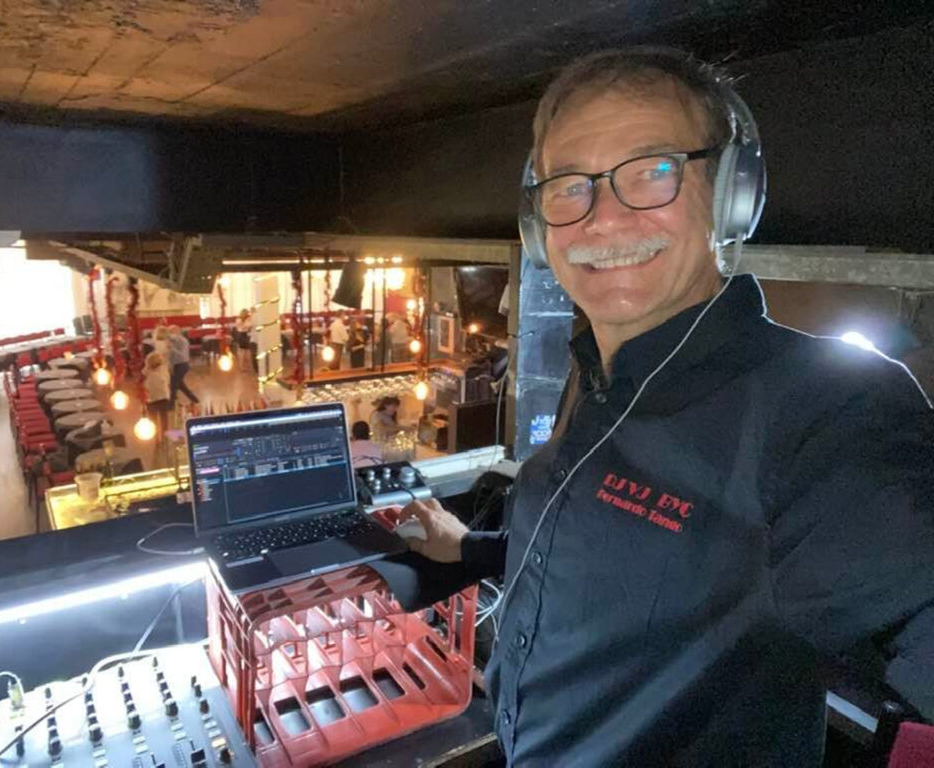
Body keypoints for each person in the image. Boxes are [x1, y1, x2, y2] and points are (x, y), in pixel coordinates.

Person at [398, 47, 934, 766]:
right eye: (570, 185)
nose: (603, 220)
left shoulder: (828, 409)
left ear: (732, 195)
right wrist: (467, 549)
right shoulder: (597, 379)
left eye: (653, 171)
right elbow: (617, 550)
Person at [142, 351, 171, 442]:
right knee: (164, 419)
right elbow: (168, 380)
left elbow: (142, 379)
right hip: (163, 397)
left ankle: (156, 439)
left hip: (151, 399)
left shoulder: (146, 371)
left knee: (153, 421)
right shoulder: (164, 369)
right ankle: (165, 437)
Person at [167, 325, 199, 406]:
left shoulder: (183, 341)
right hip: (175, 365)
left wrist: (171, 348)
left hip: (182, 365)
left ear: (177, 331)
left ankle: (171, 405)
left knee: (173, 384)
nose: (169, 334)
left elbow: (182, 355)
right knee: (180, 385)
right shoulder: (173, 341)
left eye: (171, 332)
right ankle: (195, 400)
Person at [233, 308, 257, 373]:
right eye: (247, 313)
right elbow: (247, 326)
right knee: (244, 352)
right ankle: (244, 367)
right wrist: (248, 321)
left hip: (243, 335)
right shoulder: (240, 320)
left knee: (245, 352)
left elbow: (246, 326)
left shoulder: (240, 319)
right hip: (243, 335)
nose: (248, 314)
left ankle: (244, 366)